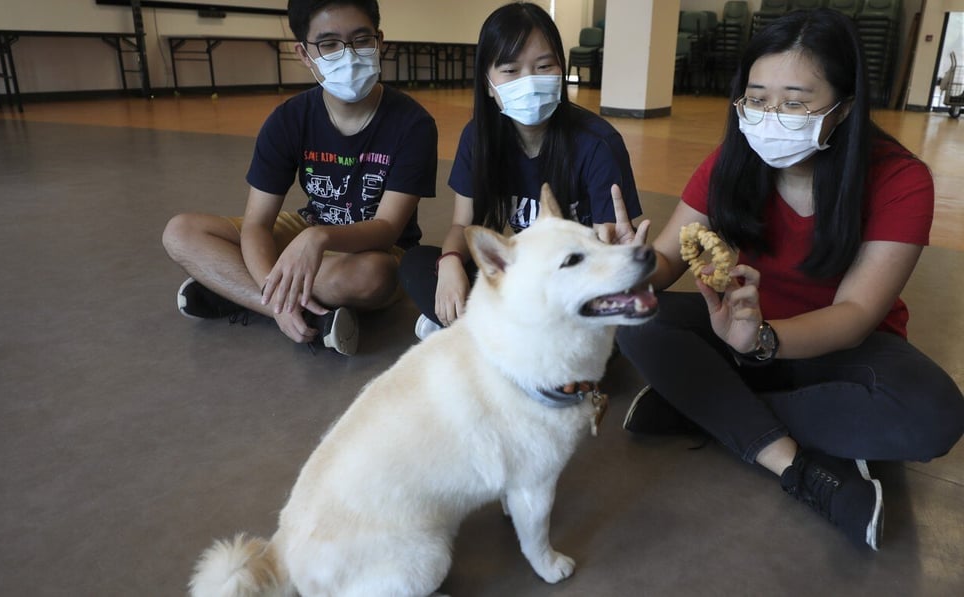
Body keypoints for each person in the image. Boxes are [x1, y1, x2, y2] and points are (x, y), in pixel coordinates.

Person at [615, 8, 964, 551]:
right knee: (638, 321)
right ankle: (786, 459)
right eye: (756, 97)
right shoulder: (732, 161)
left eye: (796, 101)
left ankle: (705, 405)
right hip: (734, 329)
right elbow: (666, 261)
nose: (770, 116)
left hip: (834, 346)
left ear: (846, 106)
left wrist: (763, 340)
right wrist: (629, 264)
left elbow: (854, 316)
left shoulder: (899, 179)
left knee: (933, 415)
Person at [162, 0, 438, 356]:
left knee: (375, 276)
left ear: (379, 41)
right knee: (181, 232)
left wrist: (318, 238)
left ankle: (233, 290)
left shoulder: (413, 125)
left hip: (374, 249)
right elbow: (258, 223)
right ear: (305, 54)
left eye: (360, 39)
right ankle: (294, 311)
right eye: (328, 44)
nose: (348, 55)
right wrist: (277, 295)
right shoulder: (288, 119)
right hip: (306, 231)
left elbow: (386, 227)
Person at [398, 1, 642, 340]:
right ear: (487, 82)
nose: (529, 81)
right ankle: (504, 338)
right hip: (523, 279)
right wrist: (451, 261)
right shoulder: (478, 138)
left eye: (544, 66)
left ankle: (470, 333)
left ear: (561, 69)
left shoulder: (598, 144)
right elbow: (463, 224)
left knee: (623, 329)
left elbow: (607, 250)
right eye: (511, 70)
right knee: (417, 264)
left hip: (574, 287)